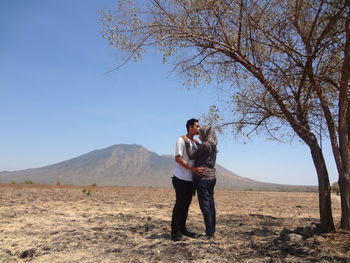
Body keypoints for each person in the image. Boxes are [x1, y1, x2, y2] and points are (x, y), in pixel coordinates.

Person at [170, 118, 206, 241]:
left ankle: (183, 229)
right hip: (180, 178)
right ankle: (175, 233)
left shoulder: (194, 142)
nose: (198, 128)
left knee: (186, 205)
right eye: (196, 126)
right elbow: (178, 159)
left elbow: (204, 154)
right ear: (190, 127)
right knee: (179, 205)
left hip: (190, 180)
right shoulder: (181, 140)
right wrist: (193, 169)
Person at [183, 126, 218, 240]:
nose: (199, 135)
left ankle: (208, 234)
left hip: (203, 178)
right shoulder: (213, 145)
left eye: (200, 133)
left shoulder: (205, 144)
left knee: (205, 206)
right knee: (211, 204)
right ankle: (212, 231)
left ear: (205, 133)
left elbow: (192, 156)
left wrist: (188, 143)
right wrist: (198, 144)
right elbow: (204, 153)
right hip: (212, 178)